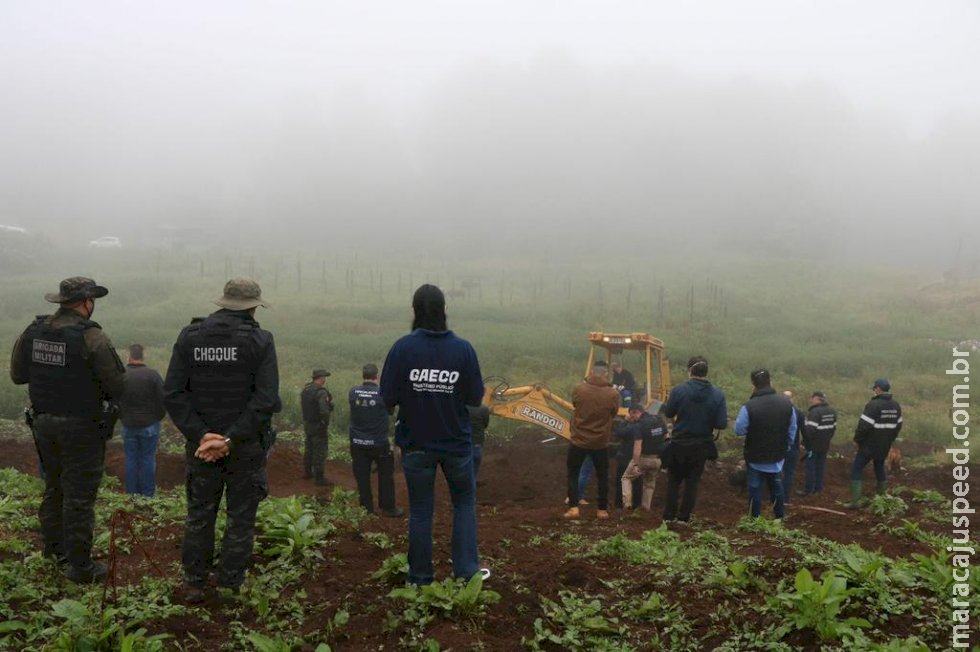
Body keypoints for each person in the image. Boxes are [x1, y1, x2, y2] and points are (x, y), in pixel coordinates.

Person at [164, 278, 281, 603]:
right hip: (246, 447)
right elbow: (266, 399)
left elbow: (173, 393)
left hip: (202, 448)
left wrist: (202, 435)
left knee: (200, 513)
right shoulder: (260, 340)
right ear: (253, 306)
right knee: (241, 517)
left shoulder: (190, 337)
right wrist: (231, 440)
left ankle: (194, 583)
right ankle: (229, 586)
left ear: (223, 302)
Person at [9, 277, 125, 583]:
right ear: (87, 302)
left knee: (54, 486)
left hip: (43, 423)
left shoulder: (34, 331)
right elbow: (116, 385)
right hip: (82, 426)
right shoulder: (92, 336)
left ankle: (54, 551)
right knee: (79, 496)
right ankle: (80, 567)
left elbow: (18, 375)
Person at [380, 284, 486, 585]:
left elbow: (386, 400)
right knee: (464, 505)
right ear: (445, 311)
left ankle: (420, 578)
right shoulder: (463, 350)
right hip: (456, 444)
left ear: (414, 311)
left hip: (416, 445)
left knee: (421, 511)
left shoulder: (402, 349)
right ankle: (466, 574)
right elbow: (475, 398)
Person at [661, 356, 727, 524]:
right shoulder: (718, 394)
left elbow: (669, 413)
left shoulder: (678, 390)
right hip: (702, 445)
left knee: (674, 481)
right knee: (692, 482)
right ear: (706, 372)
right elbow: (721, 423)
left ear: (690, 370)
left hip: (679, 442)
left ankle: (669, 517)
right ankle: (684, 518)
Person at [734, 369, 796, 519]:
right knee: (776, 485)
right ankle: (779, 517)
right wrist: (786, 446)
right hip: (777, 455)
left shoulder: (749, 406)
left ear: (753, 385)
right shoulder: (787, 404)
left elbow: (739, 430)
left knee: (754, 487)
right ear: (770, 382)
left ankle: (755, 518)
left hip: (755, 455)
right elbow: (792, 429)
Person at [563, 360, 620, 519]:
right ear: (606, 374)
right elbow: (613, 413)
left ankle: (573, 508)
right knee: (602, 476)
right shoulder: (613, 394)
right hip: (600, 442)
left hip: (578, 440)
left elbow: (575, 405)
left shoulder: (579, 389)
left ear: (591, 372)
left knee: (573, 474)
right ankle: (602, 510)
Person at [349, 363, 403, 516]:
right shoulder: (382, 393)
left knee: (362, 477)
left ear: (363, 375)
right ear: (377, 376)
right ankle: (388, 508)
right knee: (385, 476)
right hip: (379, 442)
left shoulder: (353, 392)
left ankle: (366, 509)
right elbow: (390, 411)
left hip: (357, 442)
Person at [119, 343, 166, 497]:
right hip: (149, 425)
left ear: (129, 356)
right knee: (148, 459)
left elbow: (115, 399)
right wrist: (157, 417)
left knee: (131, 459)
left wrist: (122, 416)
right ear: (142, 356)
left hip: (128, 425)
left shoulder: (122, 375)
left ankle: (131, 495)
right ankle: (148, 495)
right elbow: (163, 399)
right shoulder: (153, 375)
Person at [848, 379, 902, 508]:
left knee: (856, 469)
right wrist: (889, 439)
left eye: (874, 389)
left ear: (878, 389)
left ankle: (855, 502)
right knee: (879, 467)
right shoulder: (896, 405)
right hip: (884, 445)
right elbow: (898, 425)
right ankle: (881, 499)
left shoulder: (873, 405)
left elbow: (864, 426)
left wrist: (858, 440)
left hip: (869, 445)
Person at [619, 404, 668, 511]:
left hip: (644, 458)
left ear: (635, 412)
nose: (632, 418)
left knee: (626, 478)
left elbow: (637, 446)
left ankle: (627, 504)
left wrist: (635, 464)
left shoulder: (639, 425)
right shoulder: (659, 420)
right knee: (649, 484)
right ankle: (646, 509)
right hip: (657, 459)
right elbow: (666, 438)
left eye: (631, 416)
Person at [301, 369, 333, 485]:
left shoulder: (306, 389)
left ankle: (307, 473)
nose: (325, 380)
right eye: (324, 377)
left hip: (307, 423)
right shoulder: (321, 392)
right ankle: (319, 478)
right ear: (321, 378)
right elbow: (324, 410)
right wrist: (326, 422)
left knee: (309, 448)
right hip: (318, 425)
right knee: (320, 451)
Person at [801, 391, 836, 496]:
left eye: (812, 398)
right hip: (825, 444)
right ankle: (818, 489)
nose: (811, 400)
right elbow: (833, 428)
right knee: (820, 466)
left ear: (817, 398)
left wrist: (804, 443)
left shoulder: (815, 412)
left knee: (811, 466)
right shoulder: (832, 411)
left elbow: (810, 431)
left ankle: (808, 490)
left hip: (813, 445)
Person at [613, 410, 642, 509]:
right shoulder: (643, 425)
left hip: (626, 455)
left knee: (622, 480)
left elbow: (619, 432)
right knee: (638, 481)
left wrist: (625, 421)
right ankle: (637, 504)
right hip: (639, 457)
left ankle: (620, 503)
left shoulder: (631, 427)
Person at [780, 390, 805, 504]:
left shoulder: (777, 411)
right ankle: (785, 498)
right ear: (792, 399)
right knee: (789, 473)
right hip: (792, 447)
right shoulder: (799, 413)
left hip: (778, 447)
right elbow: (804, 430)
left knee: (777, 471)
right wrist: (805, 443)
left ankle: (775, 496)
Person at [467, 403, 490, 477]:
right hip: (476, 445)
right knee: (473, 474)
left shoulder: (460, 408)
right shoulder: (484, 409)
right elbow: (485, 424)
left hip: (461, 445)